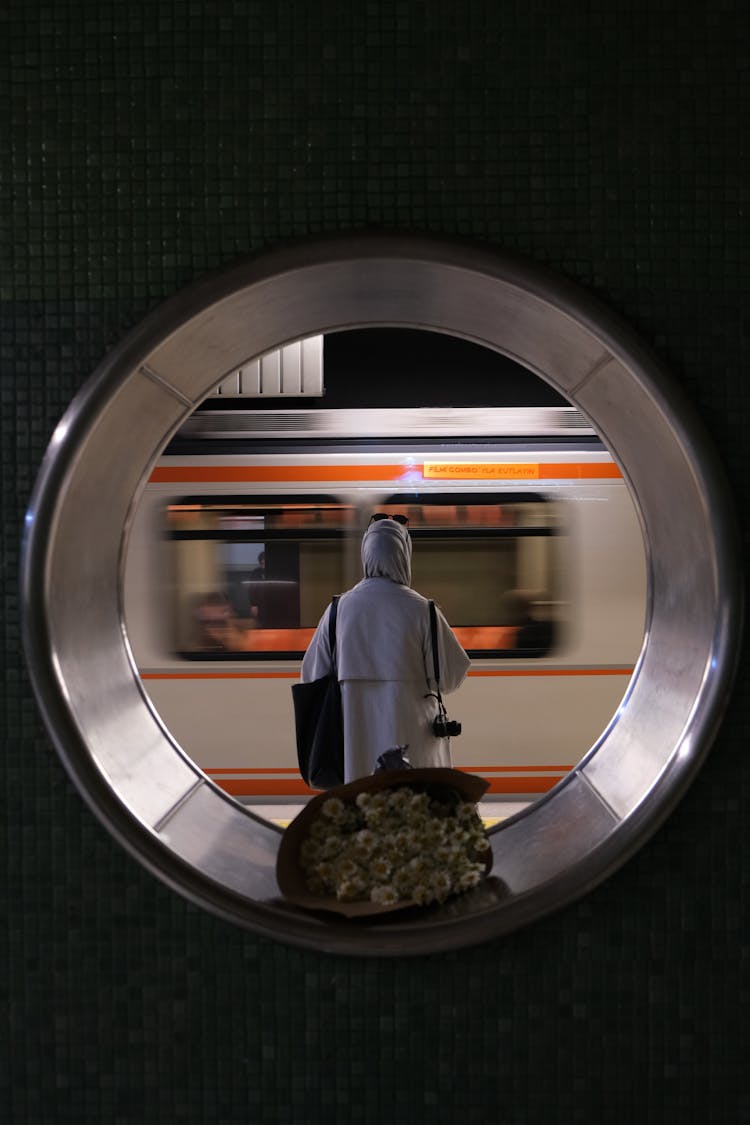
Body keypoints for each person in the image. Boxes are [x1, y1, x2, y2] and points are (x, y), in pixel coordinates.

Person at [300, 515, 471, 781]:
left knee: (362, 804)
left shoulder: (338, 610)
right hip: (415, 735)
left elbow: (312, 677)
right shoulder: (423, 610)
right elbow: (448, 680)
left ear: (365, 554)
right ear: (405, 555)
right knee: (413, 802)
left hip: (352, 736)